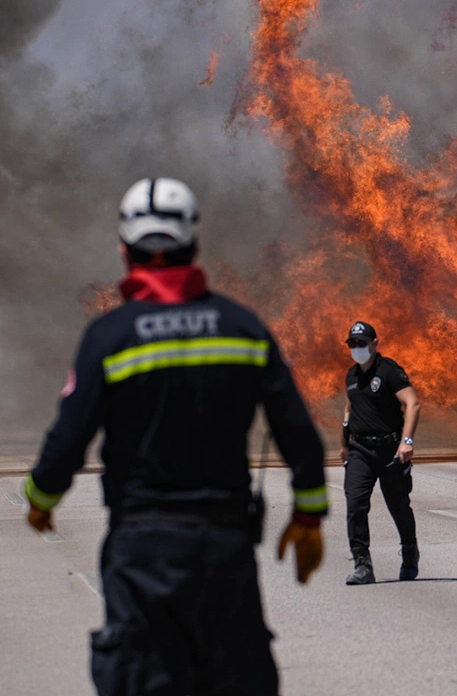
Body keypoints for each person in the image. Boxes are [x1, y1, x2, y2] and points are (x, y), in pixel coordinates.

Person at [23, 177, 328, 696]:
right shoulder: (242, 328)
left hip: (142, 552)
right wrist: (308, 515)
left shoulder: (110, 337)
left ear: (125, 250)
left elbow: (69, 437)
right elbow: (298, 432)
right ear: (195, 246)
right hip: (224, 549)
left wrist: (41, 499)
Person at [340, 320, 420, 584]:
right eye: (353, 343)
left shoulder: (389, 371)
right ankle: (362, 564)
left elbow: (412, 404)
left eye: (362, 343)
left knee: (398, 505)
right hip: (360, 450)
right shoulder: (351, 375)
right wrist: (344, 445)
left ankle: (409, 552)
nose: (357, 348)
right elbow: (349, 409)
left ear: (375, 344)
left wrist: (406, 441)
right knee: (355, 504)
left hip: (389, 449)